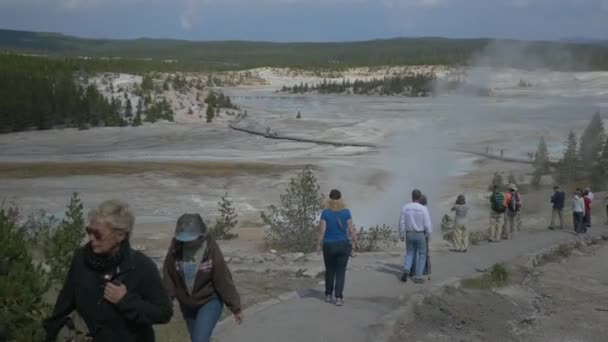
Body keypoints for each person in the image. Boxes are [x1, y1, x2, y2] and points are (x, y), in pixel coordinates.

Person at [44, 200, 173, 342]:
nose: (91, 238)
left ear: (120, 235)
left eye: (98, 234)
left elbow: (163, 313)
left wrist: (126, 301)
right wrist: (52, 333)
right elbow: (64, 304)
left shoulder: (141, 267)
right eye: (89, 231)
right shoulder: (81, 259)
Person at [163, 213, 242, 342]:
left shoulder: (210, 249)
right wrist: (167, 301)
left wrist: (236, 308)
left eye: (190, 239)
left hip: (209, 300)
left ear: (201, 235)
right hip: (187, 304)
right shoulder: (175, 249)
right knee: (196, 339)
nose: (187, 242)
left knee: (200, 340)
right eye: (184, 239)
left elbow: (223, 279)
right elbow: (168, 276)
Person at [316, 189, 358, 306]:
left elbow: (322, 231)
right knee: (340, 272)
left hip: (329, 245)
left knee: (329, 270)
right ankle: (338, 298)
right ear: (340, 199)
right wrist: (355, 241)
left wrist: (319, 245)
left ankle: (328, 295)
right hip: (343, 245)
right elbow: (350, 229)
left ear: (329, 199)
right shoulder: (346, 212)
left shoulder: (325, 213)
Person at [399, 189, 432, 284]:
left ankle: (406, 270)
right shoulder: (423, 209)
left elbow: (402, 221)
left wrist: (401, 234)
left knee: (409, 253)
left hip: (409, 233)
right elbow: (427, 225)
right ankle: (418, 276)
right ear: (420, 196)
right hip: (420, 234)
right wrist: (428, 235)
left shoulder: (406, 207)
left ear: (412, 196)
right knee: (422, 254)